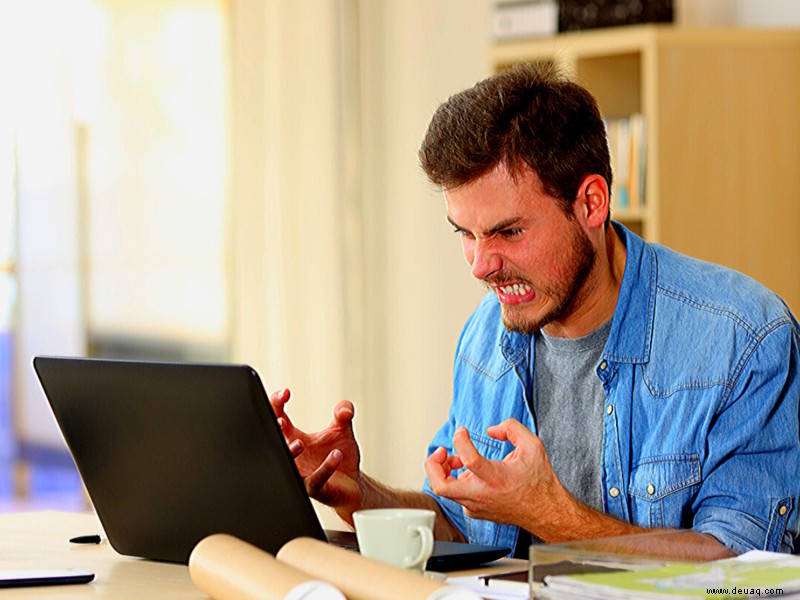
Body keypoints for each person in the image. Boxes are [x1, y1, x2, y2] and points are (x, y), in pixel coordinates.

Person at [270, 62, 800, 557]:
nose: (481, 266)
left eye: (508, 232)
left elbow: (745, 577)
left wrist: (551, 514)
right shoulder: (487, 333)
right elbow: (465, 530)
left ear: (591, 203)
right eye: (466, 234)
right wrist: (355, 492)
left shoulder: (746, 341)